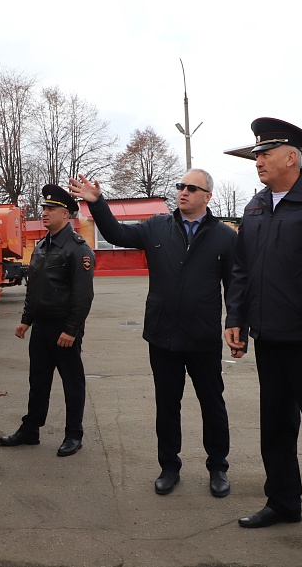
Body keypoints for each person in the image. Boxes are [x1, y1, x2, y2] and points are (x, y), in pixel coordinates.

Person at [224, 117, 302, 563]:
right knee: (276, 427)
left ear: (291, 157)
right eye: (257, 154)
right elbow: (241, 269)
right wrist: (237, 318)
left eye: (265, 154)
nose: (257, 161)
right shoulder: (256, 206)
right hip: (269, 338)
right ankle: (282, 502)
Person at [68, 169, 240, 498]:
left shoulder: (224, 236)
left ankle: (218, 467)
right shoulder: (157, 227)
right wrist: (98, 202)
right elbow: (117, 233)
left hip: (203, 337)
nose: (183, 192)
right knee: (167, 405)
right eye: (181, 186)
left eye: (192, 188)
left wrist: (236, 323)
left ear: (208, 196)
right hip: (163, 335)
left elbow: (235, 286)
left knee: (212, 404)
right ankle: (169, 466)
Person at [0, 184, 95, 457]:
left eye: (51, 209)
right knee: (38, 381)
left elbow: (83, 295)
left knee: (72, 383)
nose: (44, 212)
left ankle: (74, 434)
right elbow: (35, 288)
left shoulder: (78, 249)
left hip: (64, 328)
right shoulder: (42, 246)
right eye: (44, 208)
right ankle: (31, 429)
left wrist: (71, 330)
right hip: (41, 327)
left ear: (65, 214)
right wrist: (26, 320)